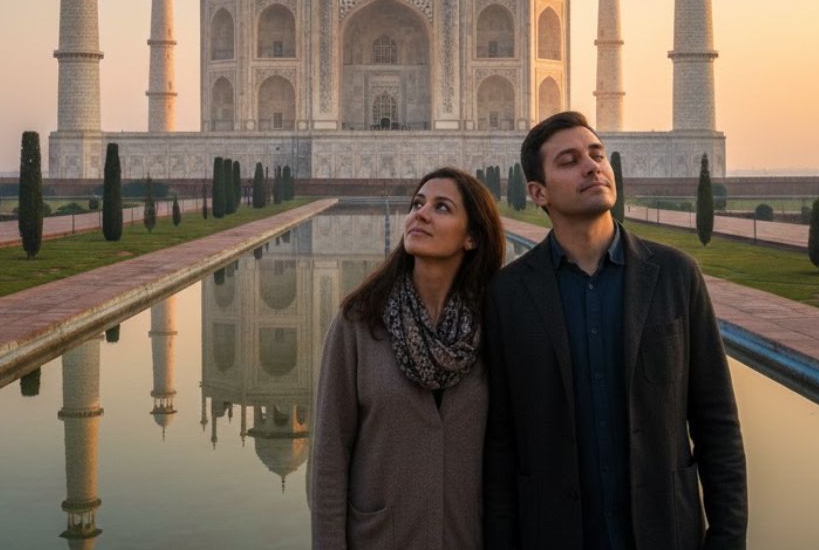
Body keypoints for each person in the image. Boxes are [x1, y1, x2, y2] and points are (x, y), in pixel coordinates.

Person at [483, 111, 747, 550]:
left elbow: (717, 426)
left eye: (597, 154)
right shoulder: (509, 296)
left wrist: (726, 540)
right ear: (537, 192)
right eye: (569, 160)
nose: (592, 166)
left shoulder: (674, 276)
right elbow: (502, 446)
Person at [310, 167, 506, 549]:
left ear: (472, 238)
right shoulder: (360, 322)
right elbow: (329, 460)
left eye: (442, 207)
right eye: (417, 204)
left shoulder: (493, 326)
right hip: (381, 538)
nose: (421, 213)